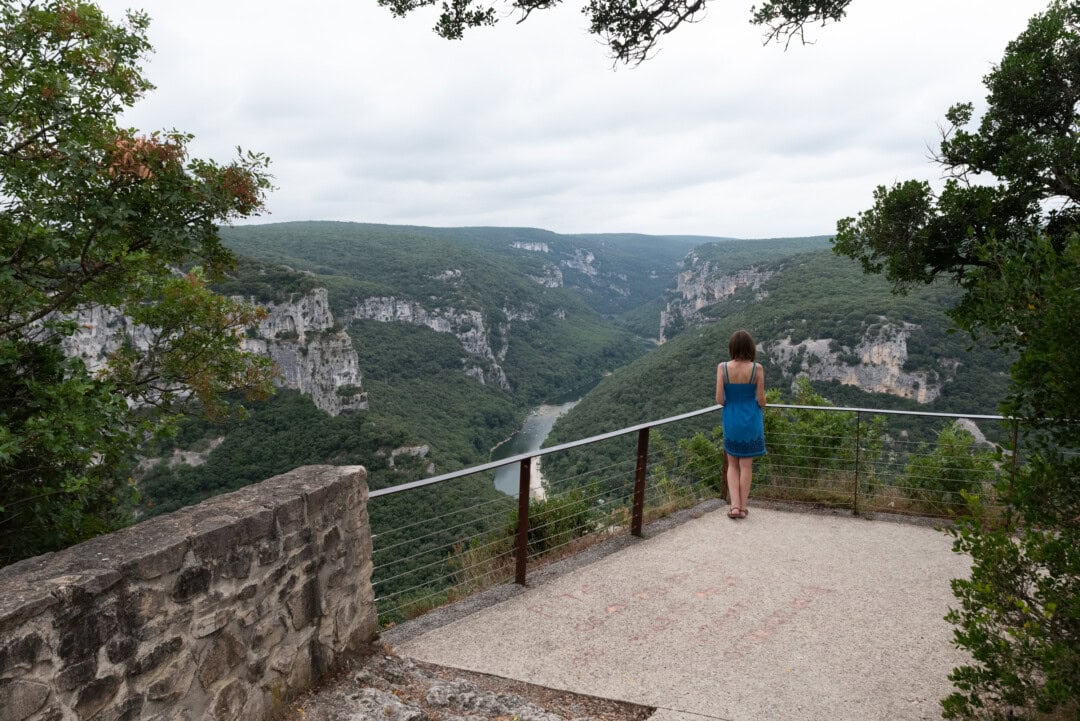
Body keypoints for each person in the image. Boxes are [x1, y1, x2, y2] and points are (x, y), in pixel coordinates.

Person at [715, 330, 766, 519]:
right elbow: (761, 400)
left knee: (732, 464)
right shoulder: (757, 369)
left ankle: (734, 507)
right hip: (751, 419)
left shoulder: (722, 368)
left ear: (732, 348)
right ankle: (743, 507)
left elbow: (720, 399)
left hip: (732, 419)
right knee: (746, 466)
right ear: (750, 348)